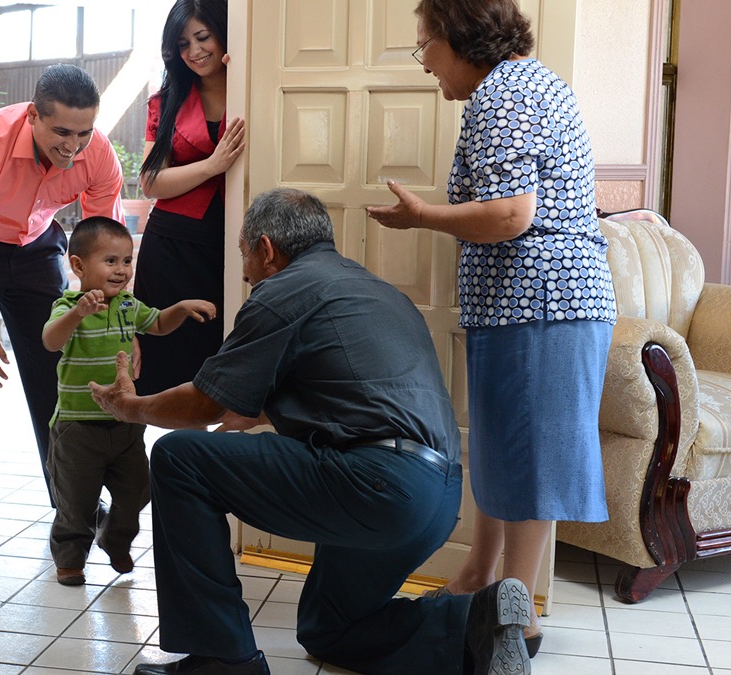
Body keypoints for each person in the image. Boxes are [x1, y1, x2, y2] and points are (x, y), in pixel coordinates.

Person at [91, 188, 534, 675]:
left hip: (375, 485)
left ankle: (223, 659)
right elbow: (353, 394)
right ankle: (476, 622)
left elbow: (204, 404)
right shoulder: (376, 290)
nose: (246, 273)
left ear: (266, 249)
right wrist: (259, 413)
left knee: (179, 458)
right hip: (438, 499)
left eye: (244, 255)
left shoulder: (282, 292)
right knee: (330, 629)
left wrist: (131, 408)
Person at [366, 0, 617, 657]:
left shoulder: (505, 94)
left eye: (425, 45)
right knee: (507, 450)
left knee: (529, 460)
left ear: (459, 37)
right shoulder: (516, 85)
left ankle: (516, 616)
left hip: (542, 305)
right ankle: (482, 576)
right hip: (526, 306)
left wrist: (423, 217)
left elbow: (511, 215)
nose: (424, 63)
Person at [0, 64, 124, 500]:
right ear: (33, 115)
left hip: (37, 246)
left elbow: (106, 246)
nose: (73, 146)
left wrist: (114, 322)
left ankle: (74, 508)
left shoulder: (97, 153)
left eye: (84, 133)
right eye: (62, 132)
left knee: (59, 376)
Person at [42, 216, 216, 587]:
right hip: (77, 426)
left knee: (138, 490)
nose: (121, 270)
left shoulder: (127, 305)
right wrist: (78, 313)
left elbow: (158, 324)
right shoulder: (68, 304)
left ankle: (115, 539)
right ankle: (70, 559)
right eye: (110, 261)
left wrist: (181, 308)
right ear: (78, 266)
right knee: (76, 500)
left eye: (126, 261)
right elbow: (51, 340)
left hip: (125, 422)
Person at [133, 0, 246, 396]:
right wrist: (213, 165)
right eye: (183, 44)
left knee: (230, 363)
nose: (194, 51)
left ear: (223, 34)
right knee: (168, 366)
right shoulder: (166, 100)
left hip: (235, 243)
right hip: (171, 247)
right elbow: (150, 182)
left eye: (203, 37)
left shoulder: (253, 85)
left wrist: (243, 66)